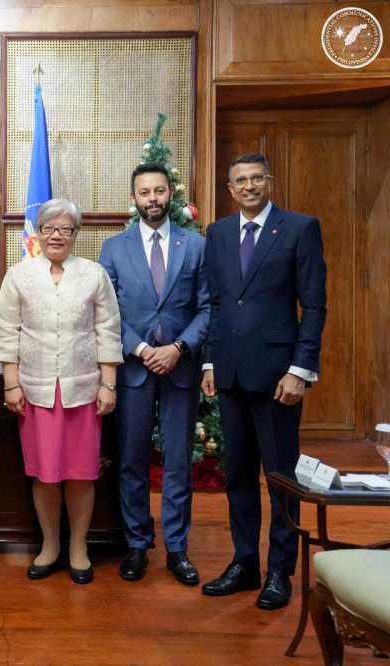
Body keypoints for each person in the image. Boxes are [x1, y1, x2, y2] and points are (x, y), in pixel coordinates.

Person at [201, 153, 327, 610]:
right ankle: (245, 563)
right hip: (230, 373)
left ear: (269, 182)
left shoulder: (299, 228)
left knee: (280, 477)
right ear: (230, 189)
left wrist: (299, 370)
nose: (249, 186)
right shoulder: (217, 233)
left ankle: (279, 571)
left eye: (257, 178)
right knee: (237, 475)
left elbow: (314, 305)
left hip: (278, 378)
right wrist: (209, 363)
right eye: (241, 180)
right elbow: (216, 302)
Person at [0, 198, 121, 585]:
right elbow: (7, 331)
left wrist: (108, 384)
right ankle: (50, 545)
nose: (57, 235)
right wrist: (11, 382)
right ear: (38, 232)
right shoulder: (18, 275)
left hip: (83, 390)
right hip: (35, 391)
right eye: (49, 228)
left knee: (81, 474)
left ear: (75, 234)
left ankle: (78, 548)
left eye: (66, 229)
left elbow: (108, 330)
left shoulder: (94, 274)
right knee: (46, 474)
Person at [98, 163, 209, 586]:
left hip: (180, 368)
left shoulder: (195, 245)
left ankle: (177, 549)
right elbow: (107, 312)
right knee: (132, 462)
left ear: (170, 193)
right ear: (134, 198)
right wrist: (143, 349)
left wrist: (178, 348)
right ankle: (137, 544)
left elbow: (207, 307)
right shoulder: (114, 248)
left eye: (159, 191)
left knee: (178, 462)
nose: (153, 199)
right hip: (134, 369)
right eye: (144, 192)